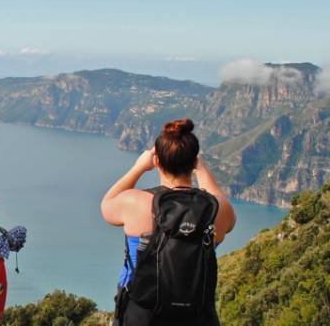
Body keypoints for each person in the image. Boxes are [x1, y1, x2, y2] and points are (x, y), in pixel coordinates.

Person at [100, 118, 237, 326]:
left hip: (142, 315)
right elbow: (223, 208)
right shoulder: (216, 210)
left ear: (157, 161)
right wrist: (201, 169)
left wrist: (138, 167)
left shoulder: (136, 203)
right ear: (193, 162)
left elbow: (107, 205)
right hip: (197, 317)